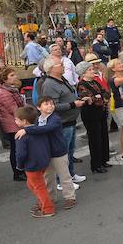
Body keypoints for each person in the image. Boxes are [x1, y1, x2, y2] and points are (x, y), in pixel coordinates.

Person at [18, 96, 78, 209]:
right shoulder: (36, 120)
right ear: (39, 107)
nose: (50, 106)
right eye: (46, 104)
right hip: (45, 153)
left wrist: (27, 130)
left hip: (58, 152)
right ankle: (50, 198)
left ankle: (70, 197)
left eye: (51, 104)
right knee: (48, 177)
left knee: (64, 176)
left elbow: (46, 129)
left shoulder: (55, 118)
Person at [38, 56, 86, 184]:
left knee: (70, 151)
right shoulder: (49, 84)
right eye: (60, 64)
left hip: (70, 120)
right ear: (51, 69)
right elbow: (52, 106)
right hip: (62, 122)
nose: (64, 66)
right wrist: (73, 105)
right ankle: (62, 181)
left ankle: (70, 174)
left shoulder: (61, 79)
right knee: (62, 154)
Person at [76, 61, 110, 173]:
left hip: (100, 112)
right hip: (90, 114)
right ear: (83, 73)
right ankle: (96, 164)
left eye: (92, 69)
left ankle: (103, 160)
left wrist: (100, 97)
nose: (92, 71)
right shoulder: (82, 85)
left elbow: (105, 93)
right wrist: (99, 97)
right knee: (95, 139)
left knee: (103, 136)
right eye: (89, 70)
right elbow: (89, 100)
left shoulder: (95, 82)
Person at [0, 67, 27, 180]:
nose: (15, 77)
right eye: (11, 75)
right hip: (13, 124)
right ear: (4, 79)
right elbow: (14, 109)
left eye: (14, 74)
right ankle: (18, 172)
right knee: (17, 149)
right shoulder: (3, 92)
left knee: (19, 148)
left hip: (17, 122)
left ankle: (21, 170)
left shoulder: (10, 89)